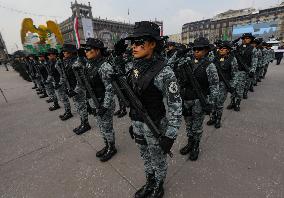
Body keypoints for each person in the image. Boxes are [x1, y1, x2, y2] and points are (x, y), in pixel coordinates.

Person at [124, 21, 182, 198]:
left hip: (155, 124)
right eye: (133, 42)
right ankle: (149, 181)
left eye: (140, 42)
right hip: (138, 121)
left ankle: (159, 184)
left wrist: (170, 135)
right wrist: (133, 122)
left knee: (157, 158)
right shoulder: (133, 67)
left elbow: (175, 106)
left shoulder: (164, 72)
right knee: (144, 155)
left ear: (153, 44)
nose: (135, 46)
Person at [178, 37, 219, 160]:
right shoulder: (187, 62)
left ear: (206, 50)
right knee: (188, 124)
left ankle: (196, 146)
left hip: (199, 101)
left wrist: (210, 104)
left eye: (200, 49)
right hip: (187, 99)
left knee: (197, 126)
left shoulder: (209, 66)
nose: (197, 51)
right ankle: (190, 143)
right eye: (195, 49)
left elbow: (214, 86)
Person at [83, 38, 117, 161]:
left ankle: (112, 148)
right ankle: (107, 145)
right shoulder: (89, 64)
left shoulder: (105, 66)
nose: (86, 52)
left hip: (104, 102)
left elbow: (110, 89)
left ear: (97, 51)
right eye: (85, 50)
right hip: (94, 101)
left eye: (88, 49)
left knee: (107, 127)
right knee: (101, 126)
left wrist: (105, 106)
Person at [207, 41, 238, 128]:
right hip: (213, 84)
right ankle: (212, 117)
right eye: (220, 48)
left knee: (219, 104)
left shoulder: (232, 59)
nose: (221, 50)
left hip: (224, 84)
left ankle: (218, 119)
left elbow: (235, 74)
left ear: (228, 50)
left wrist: (232, 85)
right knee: (212, 102)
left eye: (223, 48)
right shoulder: (215, 58)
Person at [61, 44, 91, 134]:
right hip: (73, 88)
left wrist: (75, 91)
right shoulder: (68, 61)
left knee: (81, 107)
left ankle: (85, 124)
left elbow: (81, 79)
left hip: (78, 89)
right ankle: (82, 123)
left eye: (65, 51)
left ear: (71, 52)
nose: (63, 53)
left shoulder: (77, 62)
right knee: (78, 107)